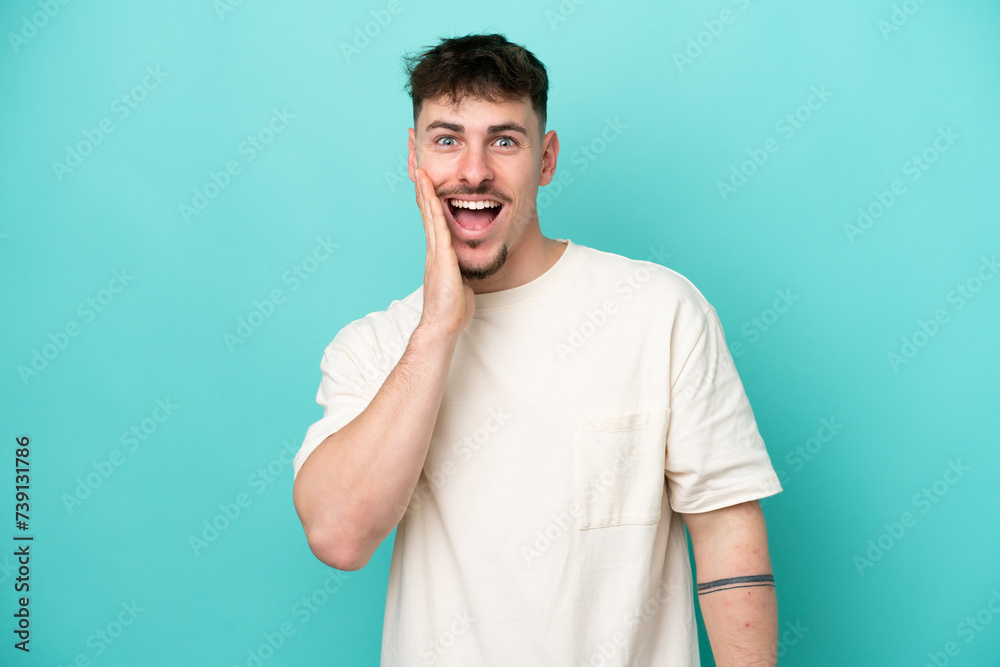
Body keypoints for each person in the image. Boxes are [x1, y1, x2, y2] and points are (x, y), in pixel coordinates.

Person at [292, 33, 783, 666]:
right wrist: (439, 326)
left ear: (545, 159)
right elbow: (339, 536)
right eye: (447, 139)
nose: (473, 170)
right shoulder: (371, 347)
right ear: (414, 160)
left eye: (504, 140)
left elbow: (726, 533)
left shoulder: (659, 311)